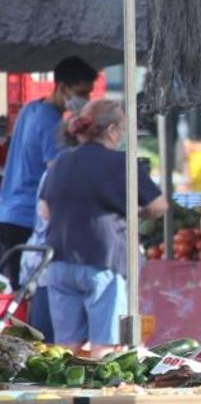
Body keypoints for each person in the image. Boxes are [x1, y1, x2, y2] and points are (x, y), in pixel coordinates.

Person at [42, 100, 167, 357]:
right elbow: (159, 205)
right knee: (105, 346)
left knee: (65, 349)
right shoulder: (121, 163)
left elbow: (44, 210)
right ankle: (102, 397)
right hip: (103, 261)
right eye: (122, 128)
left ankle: (68, 396)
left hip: (59, 262)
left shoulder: (61, 161)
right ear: (112, 130)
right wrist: (135, 212)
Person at [0, 56, 98, 286]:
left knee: (11, 296)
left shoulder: (30, 109)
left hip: (7, 213)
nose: (86, 100)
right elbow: (59, 174)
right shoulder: (51, 124)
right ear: (62, 87)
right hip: (26, 220)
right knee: (22, 296)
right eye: (82, 93)